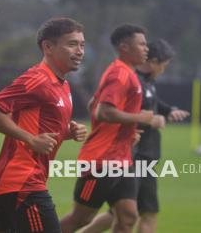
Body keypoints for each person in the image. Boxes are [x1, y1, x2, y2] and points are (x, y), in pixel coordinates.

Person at [0, 17, 87, 233]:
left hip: (17, 181)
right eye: (72, 44)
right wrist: (30, 139)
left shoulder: (62, 84)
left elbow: (40, 127)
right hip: (24, 181)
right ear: (48, 47)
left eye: (82, 45)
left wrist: (68, 132)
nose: (80, 51)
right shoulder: (37, 79)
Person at [79, 39, 190, 233]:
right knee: (145, 213)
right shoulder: (131, 79)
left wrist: (168, 110)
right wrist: (149, 120)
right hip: (135, 158)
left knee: (121, 215)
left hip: (138, 157)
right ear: (153, 61)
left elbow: (152, 104)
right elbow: (104, 110)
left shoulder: (146, 83)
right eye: (164, 65)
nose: (164, 69)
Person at [60, 24, 155, 233]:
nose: (146, 49)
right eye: (141, 44)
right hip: (101, 161)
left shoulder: (127, 74)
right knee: (80, 218)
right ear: (124, 47)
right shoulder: (120, 74)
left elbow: (93, 104)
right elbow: (103, 111)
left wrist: (126, 133)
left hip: (122, 158)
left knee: (128, 216)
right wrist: (141, 118)